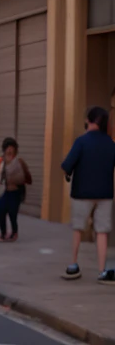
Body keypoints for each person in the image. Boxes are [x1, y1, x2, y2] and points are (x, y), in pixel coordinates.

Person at [60, 106, 115, 282]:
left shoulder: (81, 142)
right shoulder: (111, 144)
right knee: (102, 231)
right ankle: (102, 271)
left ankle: (73, 265)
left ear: (89, 121)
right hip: (105, 194)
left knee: (78, 229)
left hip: (82, 193)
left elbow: (67, 165)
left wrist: (69, 174)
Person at [0, 137, 32, 242]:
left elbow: (26, 177)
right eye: (8, 148)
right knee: (1, 212)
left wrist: (15, 179)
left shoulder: (19, 162)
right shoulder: (0, 162)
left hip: (14, 192)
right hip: (3, 192)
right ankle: (3, 233)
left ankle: (14, 233)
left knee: (13, 214)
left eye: (12, 148)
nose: (9, 150)